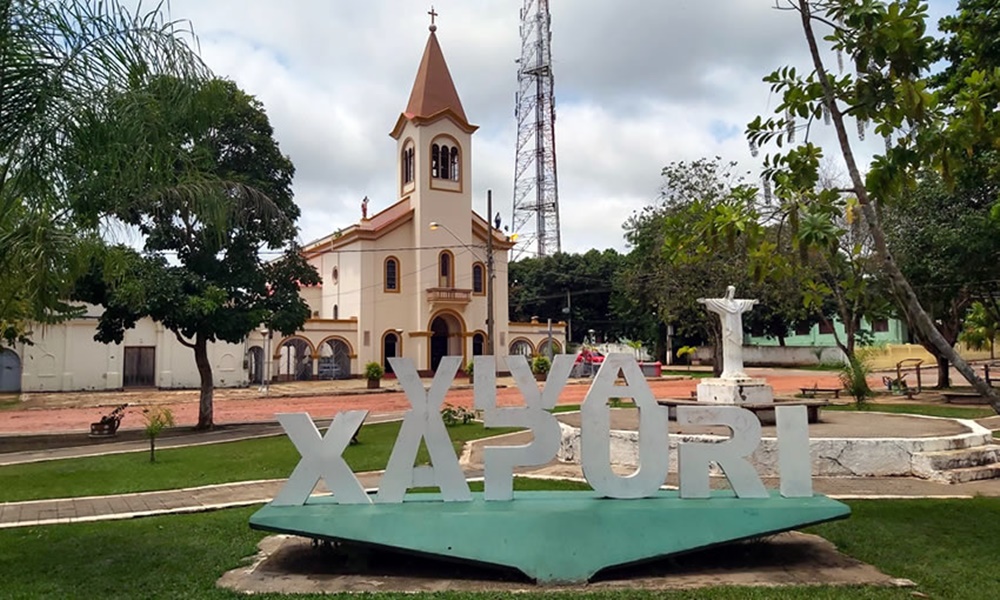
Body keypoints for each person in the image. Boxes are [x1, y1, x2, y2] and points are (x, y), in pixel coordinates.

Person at [697, 286, 757, 379]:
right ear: (727, 293)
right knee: (729, 350)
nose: (732, 294)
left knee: (737, 350)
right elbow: (714, 302)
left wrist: (753, 302)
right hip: (728, 332)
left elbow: (745, 302)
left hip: (737, 330)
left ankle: (738, 370)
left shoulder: (737, 304)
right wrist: (705, 301)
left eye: (733, 292)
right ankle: (729, 371)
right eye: (731, 292)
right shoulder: (723, 303)